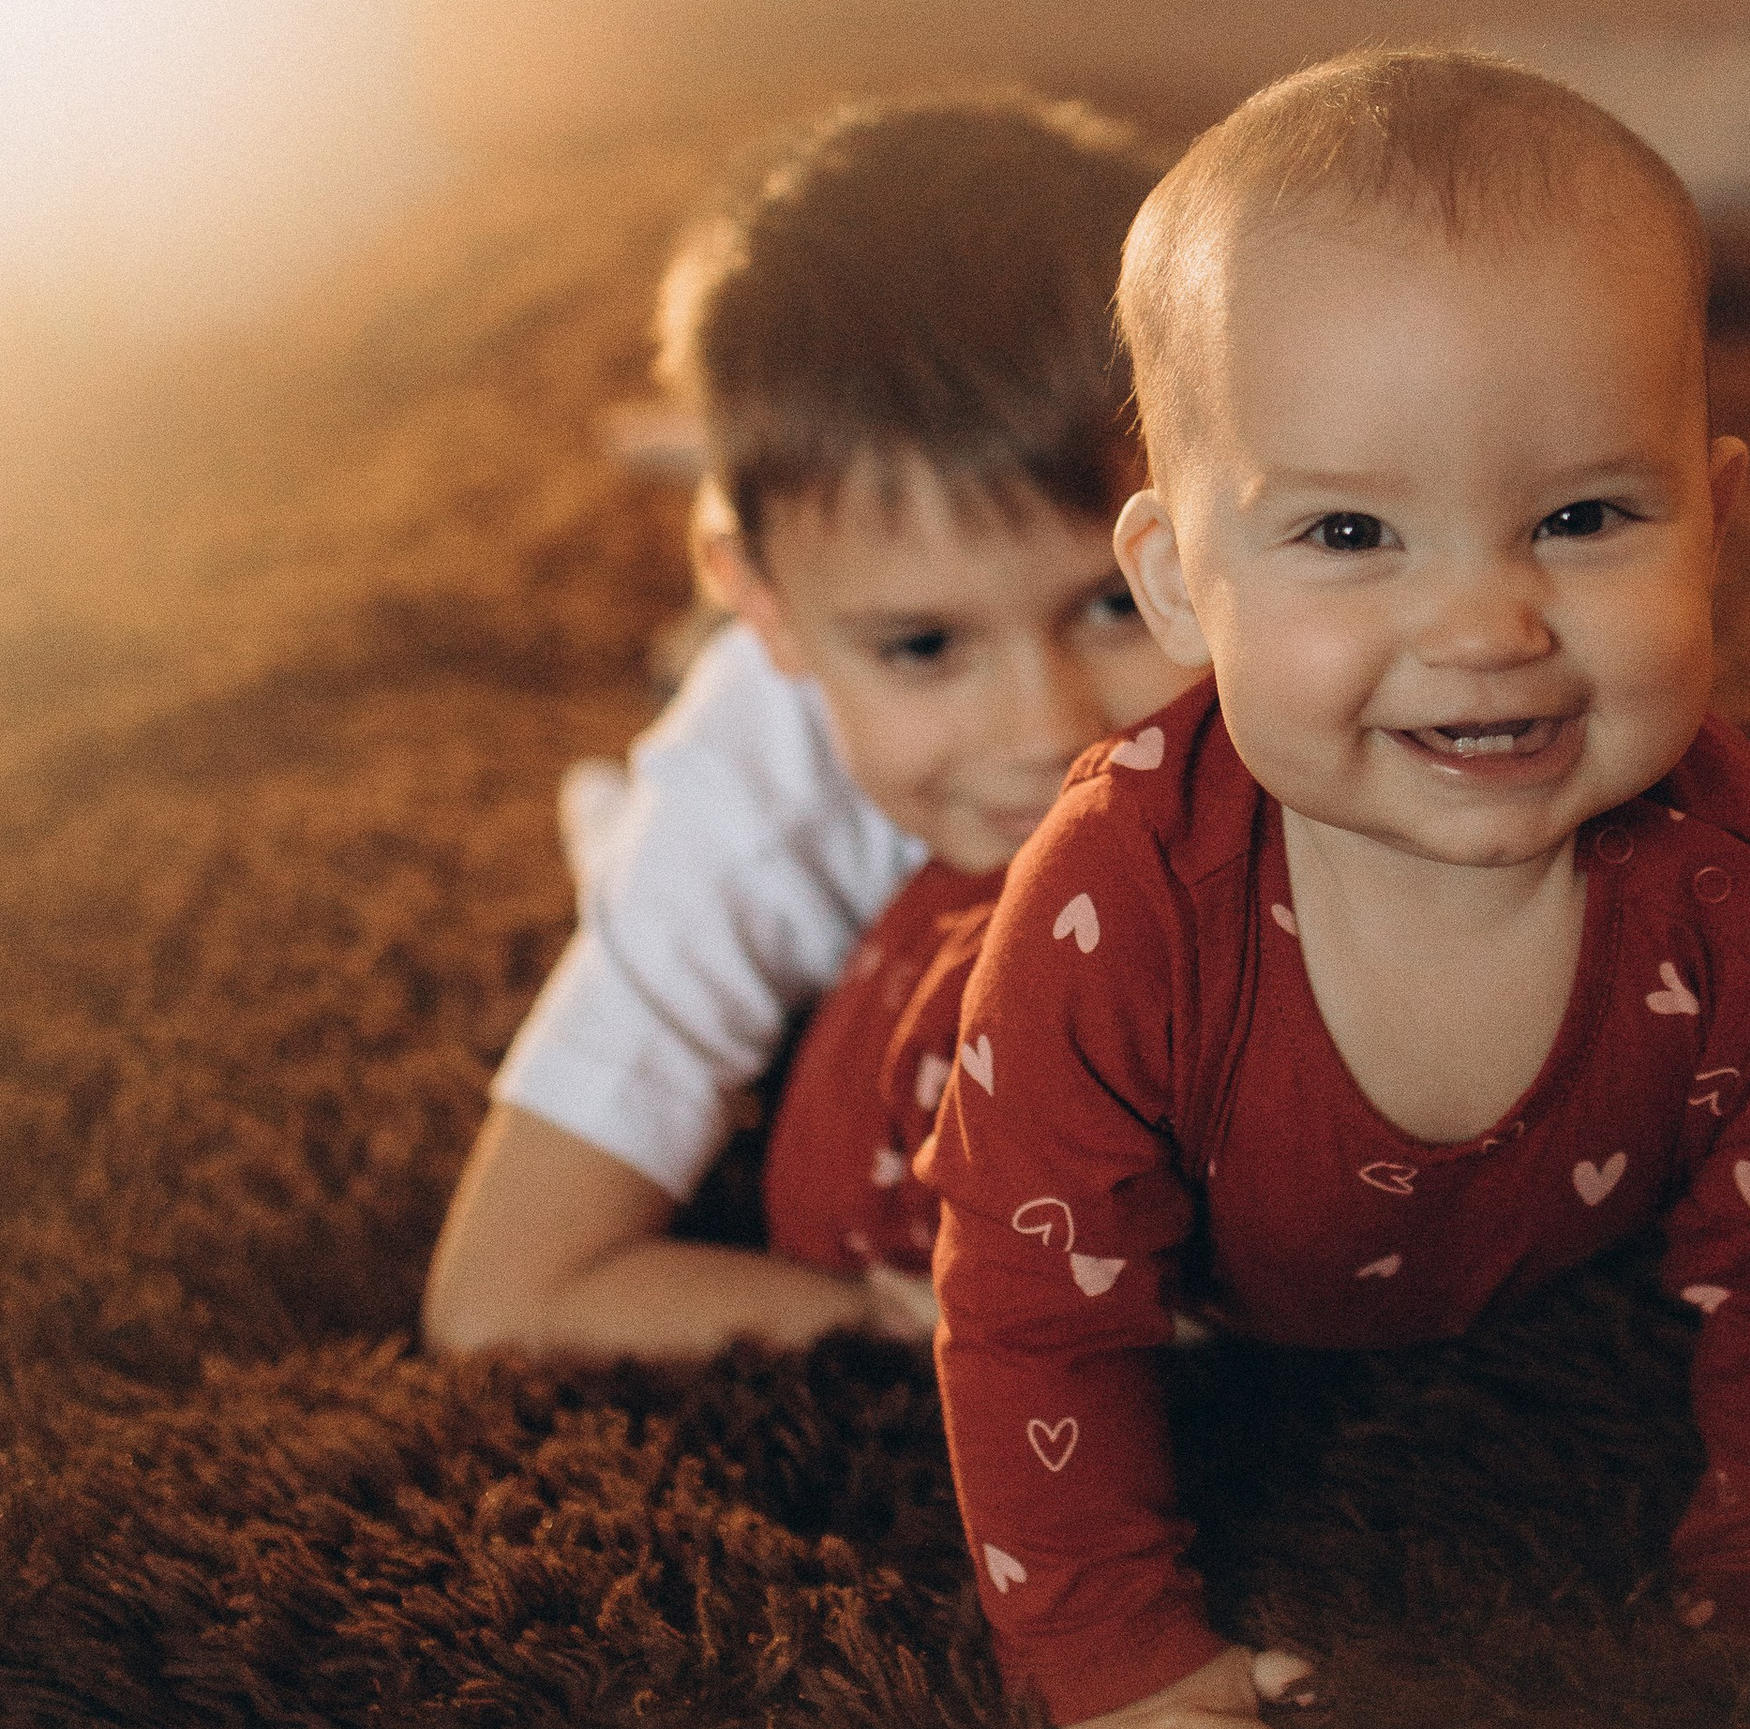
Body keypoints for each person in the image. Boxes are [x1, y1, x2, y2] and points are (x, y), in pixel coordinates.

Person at [920, 48, 1750, 1729]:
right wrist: (1120, 1675)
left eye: (1581, 518)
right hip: (931, 1121)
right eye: (1347, 532)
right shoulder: (1112, 911)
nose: (1485, 624)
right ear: (1172, 584)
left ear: (1719, 518)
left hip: (1413, 1244)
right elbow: (1027, 1319)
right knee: (873, 1154)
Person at [421, 91, 1188, 1365]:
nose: (1048, 732)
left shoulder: (1279, 647)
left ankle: (729, 467)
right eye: (924, 646)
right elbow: (505, 1294)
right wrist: (890, 1326)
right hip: (735, 682)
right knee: (697, 657)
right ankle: (712, 490)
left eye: (1117, 603)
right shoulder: (737, 824)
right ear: (775, 616)